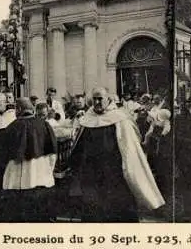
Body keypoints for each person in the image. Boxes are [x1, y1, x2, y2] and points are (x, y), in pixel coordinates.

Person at [67, 87, 164, 222]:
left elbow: (130, 147)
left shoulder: (120, 118)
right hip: (92, 175)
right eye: (94, 99)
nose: (96, 102)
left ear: (108, 99)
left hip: (115, 173)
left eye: (100, 98)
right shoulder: (87, 119)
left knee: (118, 210)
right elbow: (80, 146)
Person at [0, 97, 58, 222]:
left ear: (19, 109)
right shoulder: (44, 124)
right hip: (41, 175)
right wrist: (49, 171)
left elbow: (3, 154)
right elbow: (52, 152)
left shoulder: (12, 127)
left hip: (16, 179)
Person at [142, 108, 173, 220]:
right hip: (158, 148)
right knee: (159, 170)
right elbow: (165, 132)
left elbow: (149, 134)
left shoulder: (157, 123)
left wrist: (146, 141)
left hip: (155, 148)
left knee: (155, 169)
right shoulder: (166, 123)